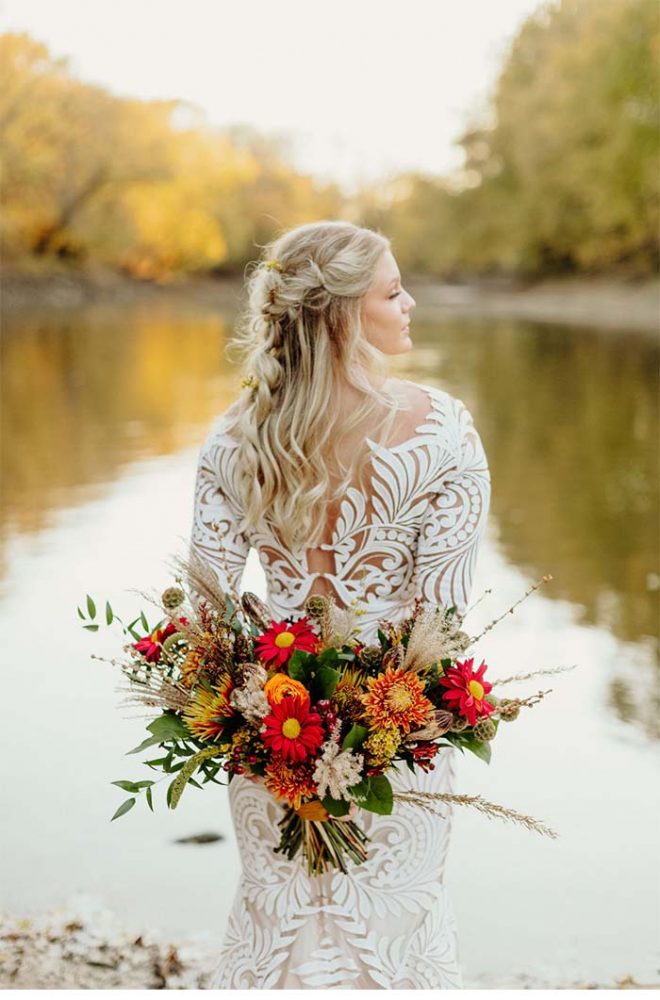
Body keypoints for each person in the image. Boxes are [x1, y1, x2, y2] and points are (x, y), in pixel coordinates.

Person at [188, 220, 491, 989]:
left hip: (271, 735)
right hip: (403, 736)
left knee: (274, 918)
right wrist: (386, 712)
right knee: (400, 928)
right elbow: (441, 624)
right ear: (343, 314)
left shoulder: (232, 441)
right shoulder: (445, 434)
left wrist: (260, 712)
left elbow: (208, 617)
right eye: (393, 292)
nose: (410, 303)